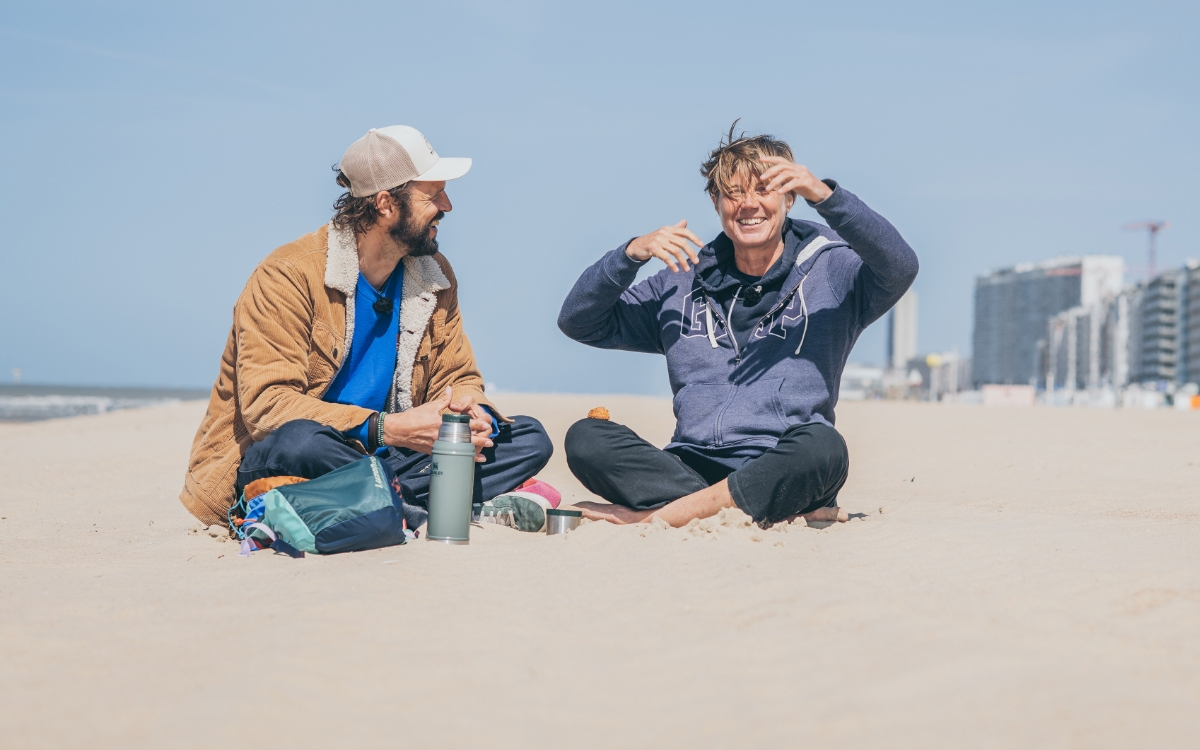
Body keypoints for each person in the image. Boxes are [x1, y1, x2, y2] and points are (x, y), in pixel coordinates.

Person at [180, 125, 553, 530]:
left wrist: (470, 412)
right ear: (385, 203)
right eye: (433, 195)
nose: (447, 205)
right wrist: (387, 428)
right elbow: (268, 406)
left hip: (385, 458)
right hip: (302, 455)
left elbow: (458, 375)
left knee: (528, 437)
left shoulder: (433, 274)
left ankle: (384, 504)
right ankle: (418, 503)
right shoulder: (286, 275)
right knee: (298, 440)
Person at [557, 125, 918, 528]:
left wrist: (826, 196)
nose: (749, 205)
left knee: (824, 448)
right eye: (733, 193)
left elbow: (900, 266)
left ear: (789, 196)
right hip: (691, 464)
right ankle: (729, 507)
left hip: (784, 459)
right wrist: (629, 254)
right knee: (587, 439)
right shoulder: (680, 279)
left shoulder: (832, 268)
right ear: (716, 202)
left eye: (763, 189)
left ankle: (654, 517)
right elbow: (579, 321)